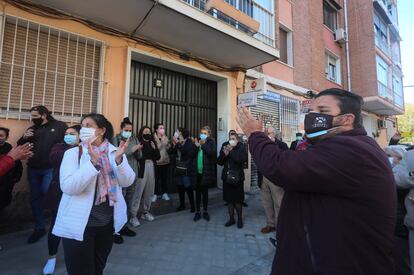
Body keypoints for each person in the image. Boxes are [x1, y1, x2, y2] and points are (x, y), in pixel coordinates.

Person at [237, 88, 396, 275]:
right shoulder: (342, 146)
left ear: (347, 119)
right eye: (312, 112)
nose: (313, 116)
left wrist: (255, 134)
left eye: (323, 111)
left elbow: (280, 167)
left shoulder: (351, 149)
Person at [52, 113, 135, 275]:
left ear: (102, 130)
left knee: (98, 269)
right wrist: (92, 164)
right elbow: (68, 187)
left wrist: (119, 161)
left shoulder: (114, 152)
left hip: (106, 225)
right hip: (79, 227)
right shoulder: (73, 154)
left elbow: (128, 181)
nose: (84, 129)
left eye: (89, 126)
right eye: (82, 126)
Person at [17, 106, 67, 244]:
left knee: (48, 192)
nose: (33, 119)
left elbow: (68, 142)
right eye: (32, 116)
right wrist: (23, 138)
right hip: (33, 168)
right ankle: (39, 228)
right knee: (35, 198)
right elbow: (20, 145)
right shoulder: (33, 129)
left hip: (50, 169)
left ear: (44, 115)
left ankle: (58, 223)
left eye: (35, 116)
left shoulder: (59, 126)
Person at [42, 125, 81, 275]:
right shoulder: (59, 147)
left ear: (80, 136)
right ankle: (51, 258)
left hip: (78, 192)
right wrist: (75, 149)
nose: (68, 136)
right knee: (55, 225)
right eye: (66, 133)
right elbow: (54, 158)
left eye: (72, 134)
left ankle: (76, 255)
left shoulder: (85, 149)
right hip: (59, 191)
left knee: (76, 225)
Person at [112, 117, 142, 240]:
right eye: (126, 129)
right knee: (119, 203)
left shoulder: (134, 138)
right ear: (121, 129)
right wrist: (131, 149)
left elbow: (139, 156)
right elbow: (115, 156)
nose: (128, 132)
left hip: (132, 175)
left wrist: (138, 150)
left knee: (128, 202)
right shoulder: (116, 139)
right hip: (120, 177)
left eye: (130, 130)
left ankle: (123, 226)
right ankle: (115, 230)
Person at [384, 145, 411, 275]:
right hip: (394, 228)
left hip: (400, 228)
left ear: (400, 159)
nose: (386, 159)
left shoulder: (400, 177)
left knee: (402, 265)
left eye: (389, 156)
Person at [129, 126, 160, 226]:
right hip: (142, 169)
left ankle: (145, 212)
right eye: (145, 131)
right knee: (138, 192)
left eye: (149, 131)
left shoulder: (152, 142)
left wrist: (155, 148)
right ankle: (133, 216)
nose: (147, 133)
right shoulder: (139, 142)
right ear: (141, 133)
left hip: (152, 167)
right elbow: (138, 157)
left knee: (149, 191)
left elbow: (158, 157)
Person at [260, 127, 287, 235]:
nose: (267, 134)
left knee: (278, 203)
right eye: (265, 133)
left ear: (274, 134)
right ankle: (270, 224)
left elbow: (286, 160)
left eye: (269, 133)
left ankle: (281, 226)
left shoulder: (281, 145)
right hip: (264, 176)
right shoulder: (262, 145)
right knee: (267, 202)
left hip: (276, 177)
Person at [217, 132, 247, 228]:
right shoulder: (225, 145)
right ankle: (231, 219)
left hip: (237, 178)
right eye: (230, 138)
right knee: (229, 200)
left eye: (233, 138)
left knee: (238, 200)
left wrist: (231, 152)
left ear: (237, 139)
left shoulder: (241, 146)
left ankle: (240, 219)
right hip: (227, 177)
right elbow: (219, 162)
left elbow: (242, 159)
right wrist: (224, 154)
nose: (231, 140)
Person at [193, 126, 216, 222]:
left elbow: (212, 153)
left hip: (206, 172)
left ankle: (205, 211)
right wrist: (196, 146)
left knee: (205, 193)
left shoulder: (211, 142)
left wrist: (202, 145)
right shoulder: (197, 141)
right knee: (197, 193)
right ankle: (197, 212)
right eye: (201, 133)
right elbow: (191, 154)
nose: (202, 135)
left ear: (208, 135)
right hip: (197, 172)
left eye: (205, 133)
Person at [171, 128, 196, 212]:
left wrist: (178, 143)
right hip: (178, 167)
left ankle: (192, 205)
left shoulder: (189, 142)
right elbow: (172, 152)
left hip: (186, 168)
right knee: (180, 186)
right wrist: (174, 145)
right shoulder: (178, 142)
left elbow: (187, 152)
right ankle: (182, 204)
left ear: (182, 133)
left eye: (177, 132)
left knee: (188, 186)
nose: (176, 134)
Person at [0, 127, 23, 211]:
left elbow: (18, 166)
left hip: (6, 185)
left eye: (1, 136)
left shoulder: (10, 149)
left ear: (6, 137)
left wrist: (14, 179)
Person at [153, 123, 171, 202]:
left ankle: (165, 193)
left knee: (164, 179)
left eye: (163, 128)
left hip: (165, 162)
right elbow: (156, 149)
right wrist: (163, 143)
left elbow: (167, 149)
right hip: (156, 162)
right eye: (160, 128)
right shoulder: (153, 138)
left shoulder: (165, 137)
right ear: (156, 130)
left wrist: (169, 145)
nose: (162, 129)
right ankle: (154, 194)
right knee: (155, 179)